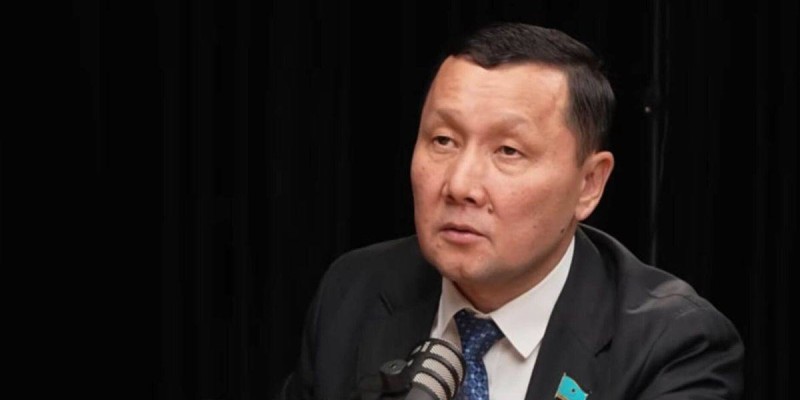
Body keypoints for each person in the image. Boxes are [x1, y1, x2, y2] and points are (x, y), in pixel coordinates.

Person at [275, 22, 744, 400]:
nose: (460, 186)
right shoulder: (354, 293)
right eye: (443, 140)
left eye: (508, 151)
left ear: (589, 184)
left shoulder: (672, 346)